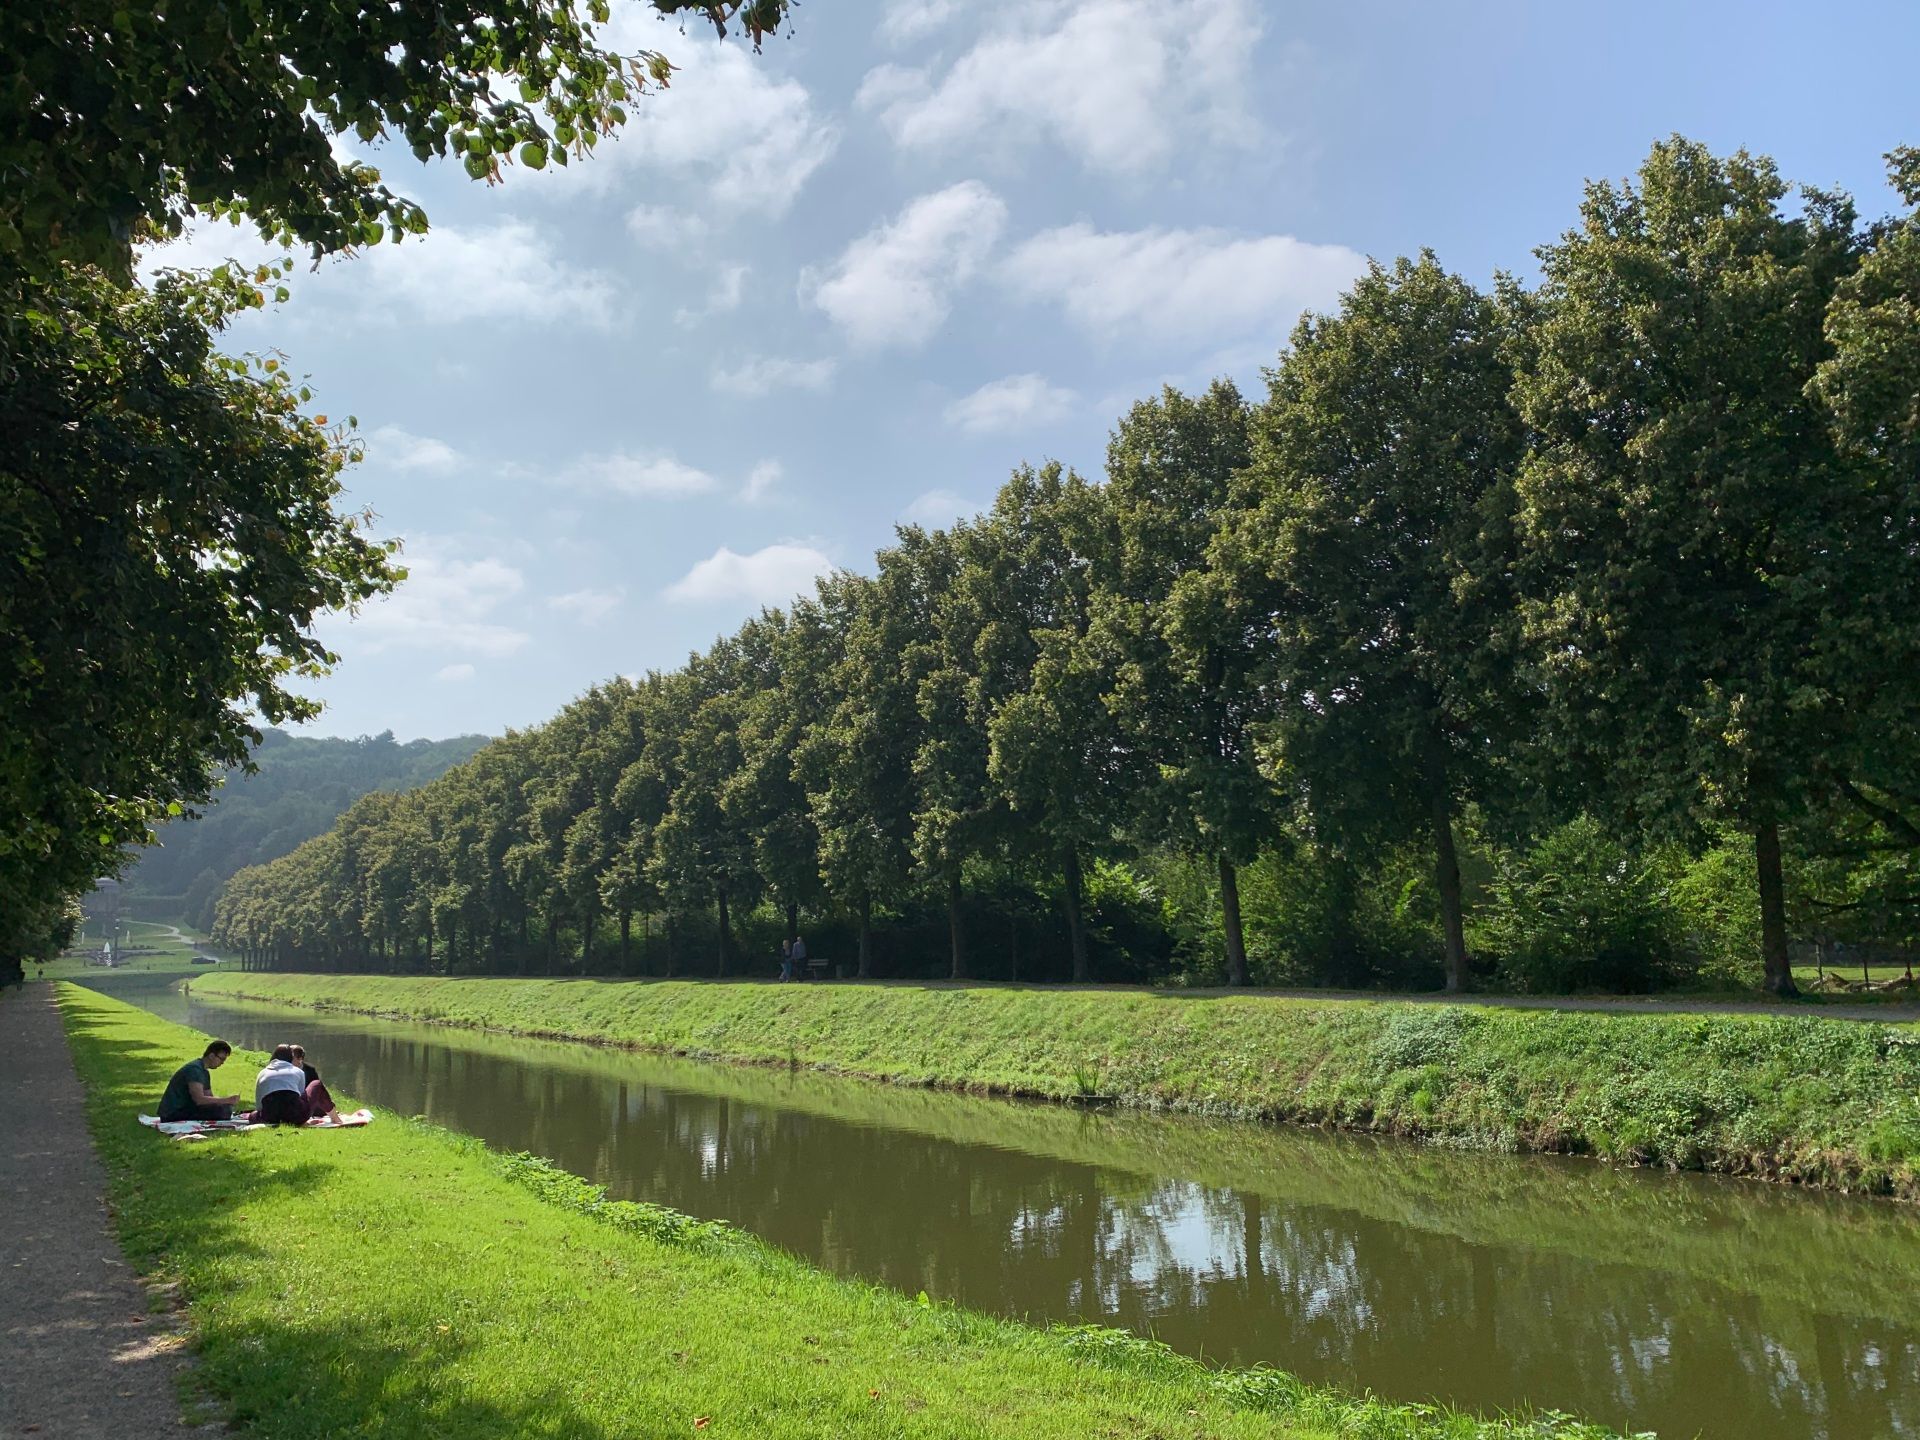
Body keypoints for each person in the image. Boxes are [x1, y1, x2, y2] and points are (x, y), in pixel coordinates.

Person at [158, 1040, 241, 1122]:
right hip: (173, 1113)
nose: (222, 1063)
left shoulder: (204, 1071)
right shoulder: (194, 1070)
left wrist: (225, 1102)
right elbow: (199, 1099)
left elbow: (209, 1097)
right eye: (221, 1059)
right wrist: (226, 1100)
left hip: (186, 1108)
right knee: (222, 1111)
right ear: (211, 1056)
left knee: (224, 1109)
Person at [252, 1044, 310, 1126]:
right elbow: (301, 1095)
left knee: (252, 1116)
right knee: (316, 1084)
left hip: (271, 1116)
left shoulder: (262, 1073)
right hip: (294, 1116)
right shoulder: (298, 1071)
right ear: (291, 1057)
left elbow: (259, 1106)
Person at [288, 1044, 337, 1121]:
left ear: (300, 1059)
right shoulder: (286, 1070)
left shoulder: (310, 1070)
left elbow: (317, 1090)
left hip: (307, 1099)